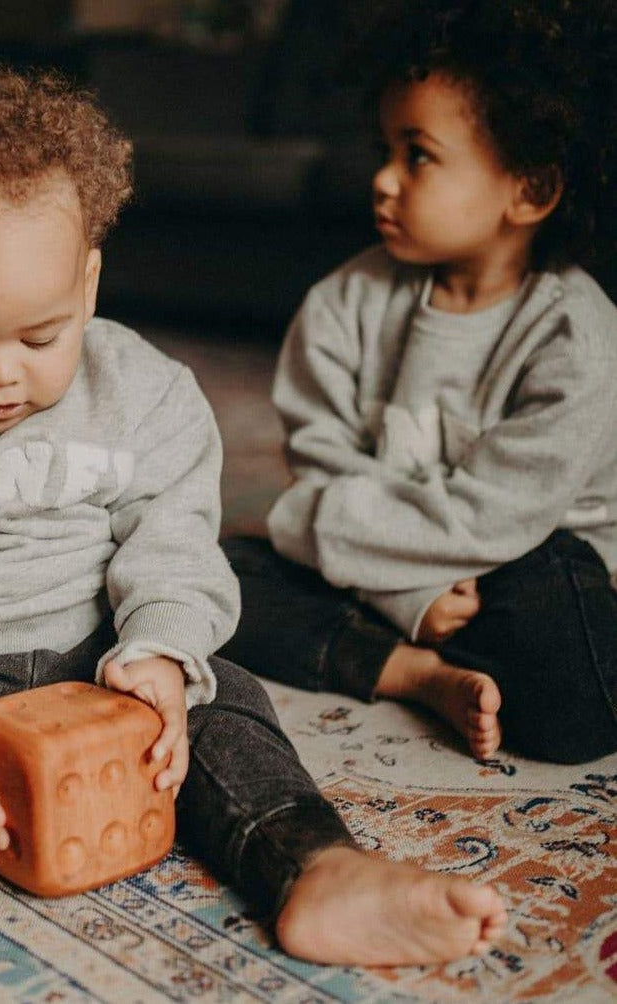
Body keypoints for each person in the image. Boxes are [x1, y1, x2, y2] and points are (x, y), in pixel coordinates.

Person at [0, 63, 506, 1004]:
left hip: (95, 661)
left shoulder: (146, 389)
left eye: (39, 337)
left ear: (88, 283)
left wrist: (159, 651)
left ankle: (316, 867)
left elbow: (174, 536)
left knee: (227, 699)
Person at [221, 0, 617, 767]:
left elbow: (490, 522)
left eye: (418, 155)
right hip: (393, 569)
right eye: (384, 149)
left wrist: (349, 547)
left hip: (529, 562)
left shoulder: (577, 332)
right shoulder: (342, 305)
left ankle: (383, 646)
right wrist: (408, 597)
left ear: (529, 191)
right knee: (209, 577)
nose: (383, 179)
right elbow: (321, 476)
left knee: (575, 693)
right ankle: (412, 671)